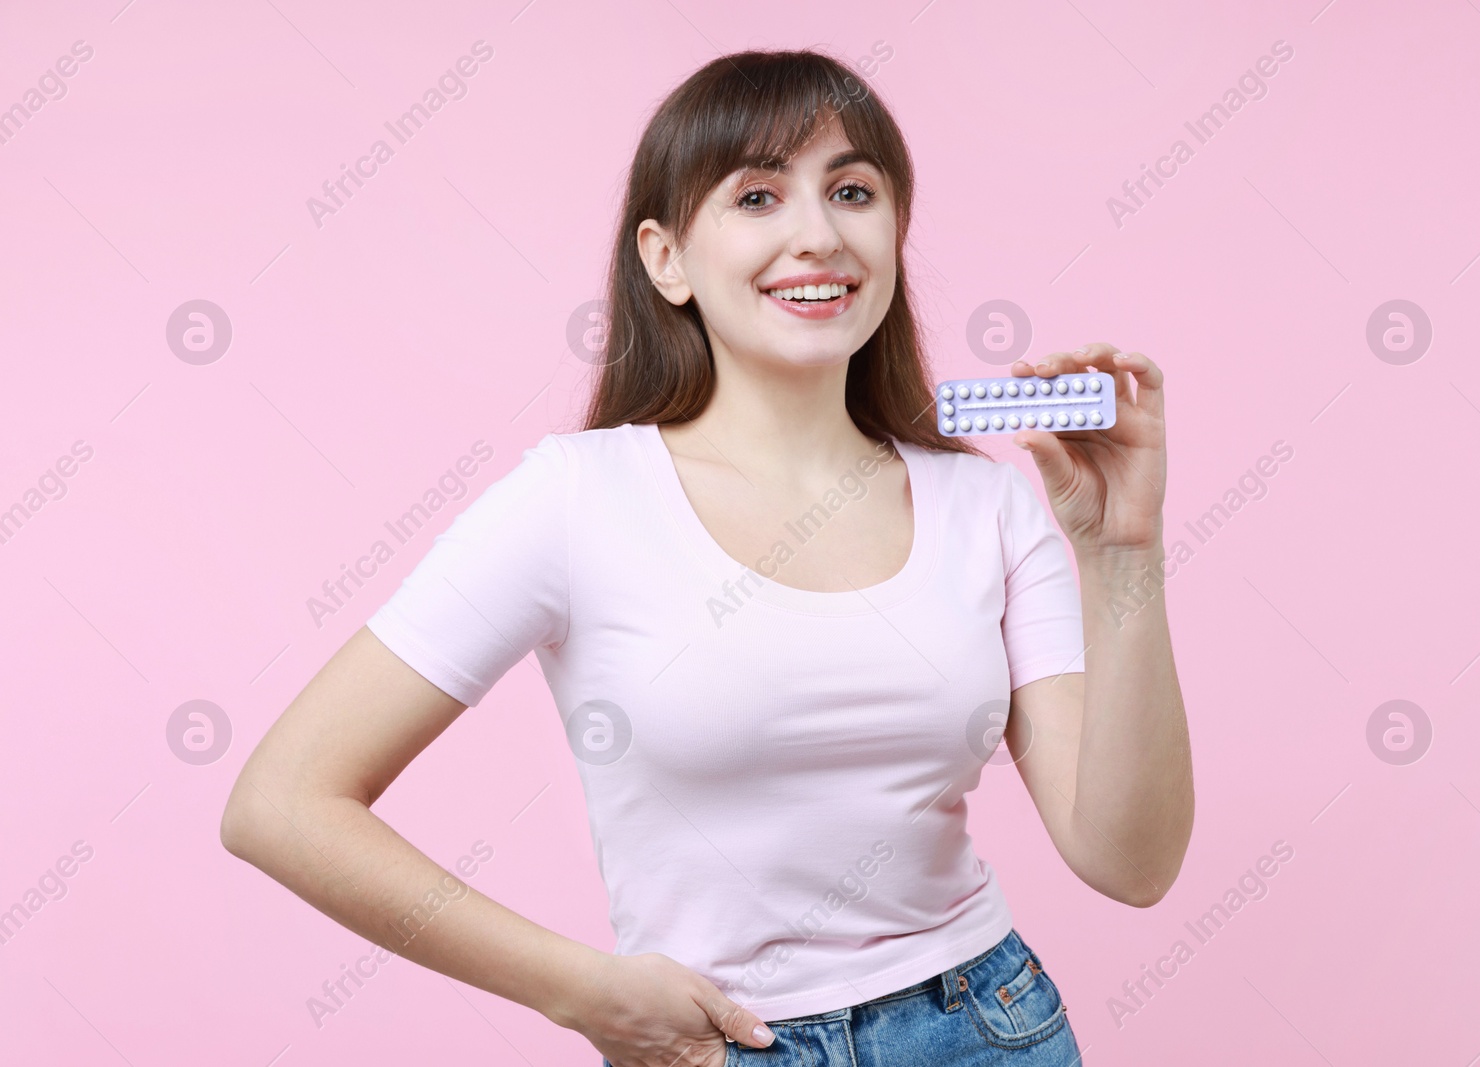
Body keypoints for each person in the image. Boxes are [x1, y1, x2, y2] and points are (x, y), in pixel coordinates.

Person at [220, 48, 1192, 1067]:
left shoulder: (988, 502)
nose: (817, 234)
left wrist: (1122, 553)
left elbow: (1129, 860)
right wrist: (580, 988)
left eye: (852, 190)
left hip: (987, 1025)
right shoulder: (574, 499)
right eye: (758, 196)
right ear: (666, 257)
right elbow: (281, 803)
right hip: (715, 1047)